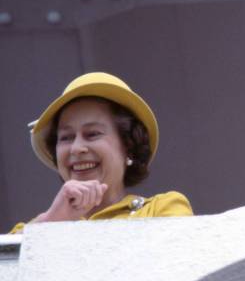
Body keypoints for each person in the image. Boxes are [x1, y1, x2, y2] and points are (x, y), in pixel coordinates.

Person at [10, 72, 193, 233]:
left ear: (128, 146)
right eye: (66, 137)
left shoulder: (162, 210)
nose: (76, 148)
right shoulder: (29, 231)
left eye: (92, 134)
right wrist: (51, 223)